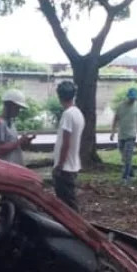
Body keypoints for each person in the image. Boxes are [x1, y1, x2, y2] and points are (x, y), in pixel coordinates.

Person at [52, 80, 84, 211]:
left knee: (66, 207)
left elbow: (66, 143)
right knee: (70, 202)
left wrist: (59, 165)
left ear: (59, 96)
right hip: (73, 165)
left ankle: (74, 230)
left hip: (65, 167)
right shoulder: (77, 113)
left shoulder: (68, 114)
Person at [110, 87, 137, 183]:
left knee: (128, 156)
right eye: (131, 98)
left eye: (134, 98)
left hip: (131, 135)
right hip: (121, 135)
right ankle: (131, 173)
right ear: (128, 97)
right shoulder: (121, 106)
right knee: (124, 157)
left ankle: (125, 178)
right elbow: (115, 119)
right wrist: (112, 132)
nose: (132, 99)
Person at [0, 88, 36, 166]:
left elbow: (13, 146)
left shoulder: (11, 123)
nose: (18, 111)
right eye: (17, 108)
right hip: (5, 168)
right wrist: (19, 142)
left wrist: (24, 142)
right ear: (9, 105)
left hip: (14, 166)